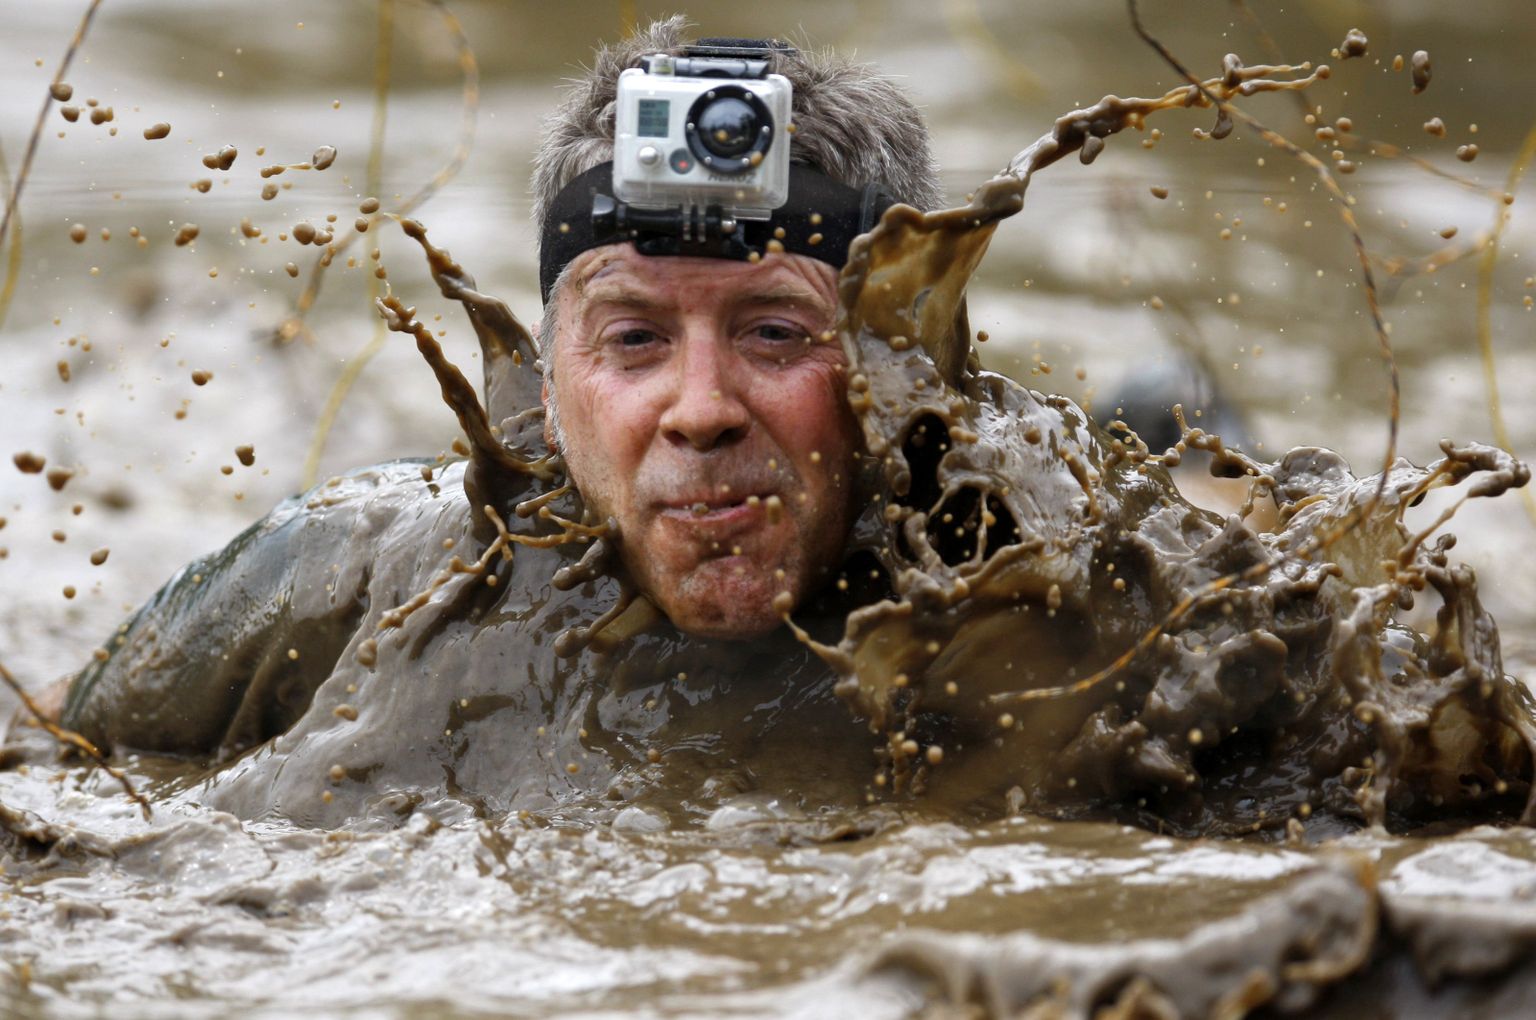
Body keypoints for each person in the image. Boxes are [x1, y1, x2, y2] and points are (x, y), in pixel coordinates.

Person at [21, 19, 948, 825]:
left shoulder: (1046, 595)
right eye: (633, 338)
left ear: (903, 367)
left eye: (776, 333)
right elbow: (46, 756)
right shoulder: (349, 574)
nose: (700, 410)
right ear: (547, 388)